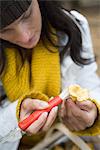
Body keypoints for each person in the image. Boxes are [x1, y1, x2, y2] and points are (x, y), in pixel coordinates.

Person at [0, 0, 100, 149]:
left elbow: (89, 83)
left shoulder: (71, 26)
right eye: (5, 30)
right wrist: (13, 118)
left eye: (27, 16)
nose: (25, 36)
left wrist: (93, 111)